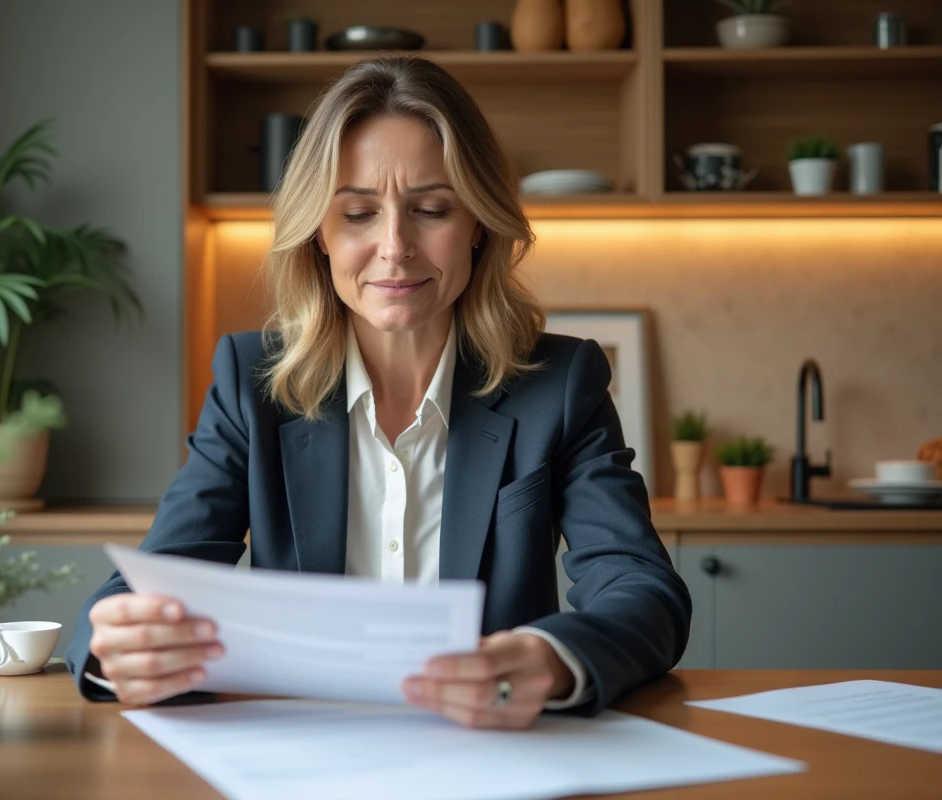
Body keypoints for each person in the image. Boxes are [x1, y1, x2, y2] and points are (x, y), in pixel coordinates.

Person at [66, 56, 691, 729]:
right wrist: (117, 648)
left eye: (431, 209)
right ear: (319, 234)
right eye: (359, 213)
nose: (395, 247)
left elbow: (643, 590)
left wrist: (550, 657)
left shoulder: (560, 385)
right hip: (305, 759)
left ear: (478, 223)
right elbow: (145, 585)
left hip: (494, 755)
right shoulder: (252, 383)